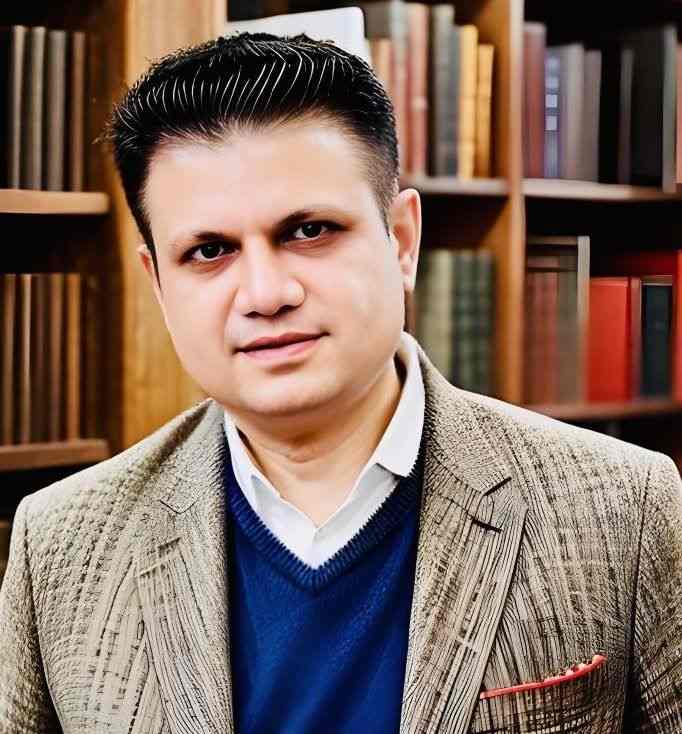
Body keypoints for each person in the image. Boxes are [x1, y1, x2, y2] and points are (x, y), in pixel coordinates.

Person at [1, 31, 681, 734]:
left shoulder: (624, 509)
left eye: (309, 231)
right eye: (209, 250)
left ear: (402, 240)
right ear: (158, 284)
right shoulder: (59, 546)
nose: (265, 294)